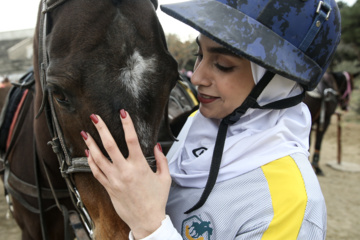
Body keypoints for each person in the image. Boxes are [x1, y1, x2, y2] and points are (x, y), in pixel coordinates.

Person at [81, 0, 341, 239]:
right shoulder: (197, 123)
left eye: (223, 65)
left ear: (277, 81)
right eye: (200, 55)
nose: (196, 78)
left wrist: (150, 226)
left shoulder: (291, 205)